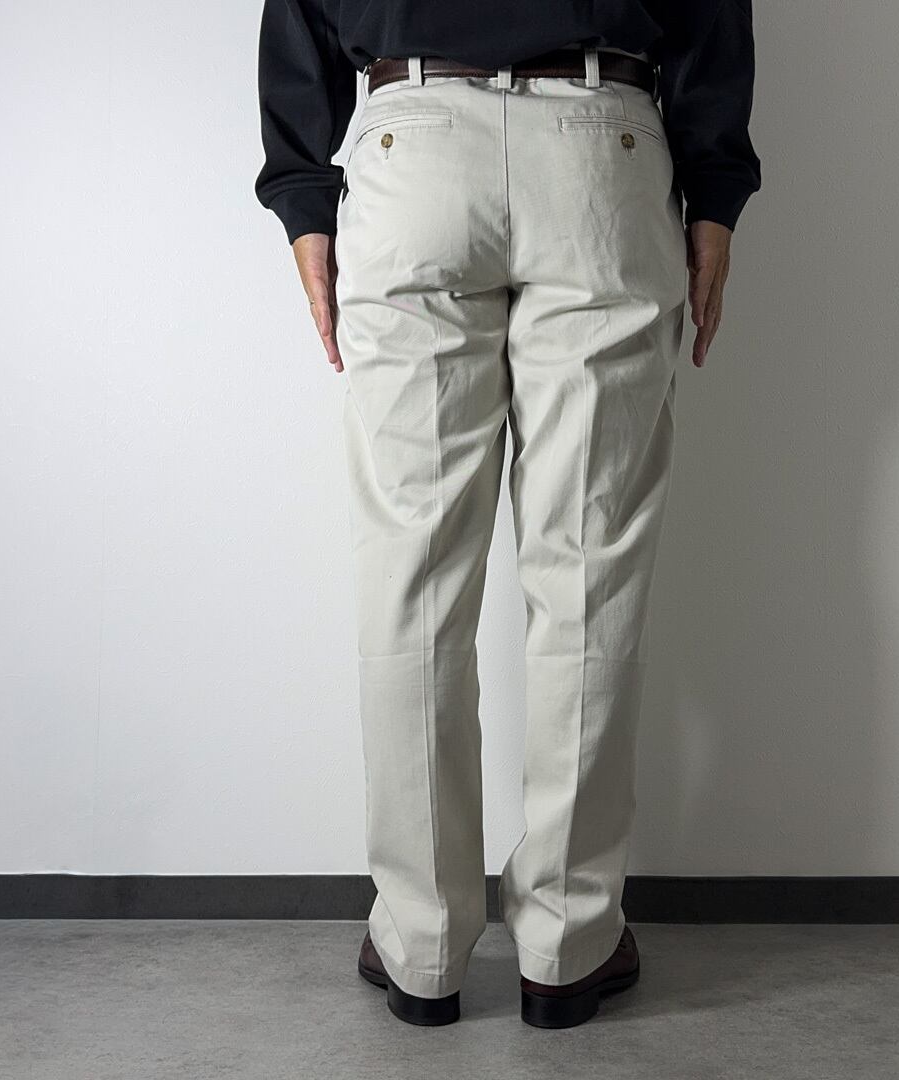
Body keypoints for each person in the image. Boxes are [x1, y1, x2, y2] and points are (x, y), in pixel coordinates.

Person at [255, 0, 761, 1030]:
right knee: (590, 570)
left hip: (414, 142)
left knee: (412, 573)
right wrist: (713, 188)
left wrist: (305, 194)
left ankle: (422, 944)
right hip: (600, 148)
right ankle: (569, 944)